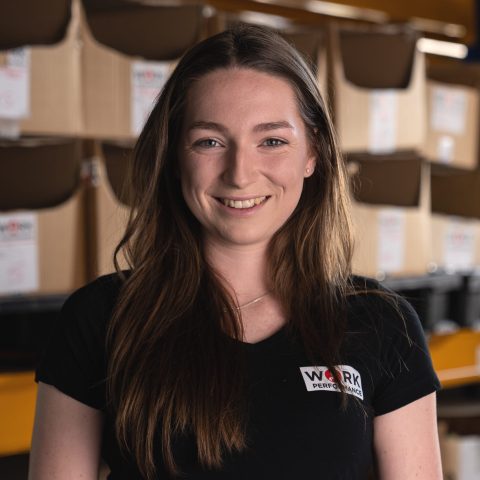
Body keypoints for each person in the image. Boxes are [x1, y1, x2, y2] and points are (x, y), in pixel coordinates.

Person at [29, 24, 443, 480]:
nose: (240, 174)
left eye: (272, 141)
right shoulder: (101, 319)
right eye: (210, 142)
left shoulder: (384, 325)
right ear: (174, 155)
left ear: (313, 153)